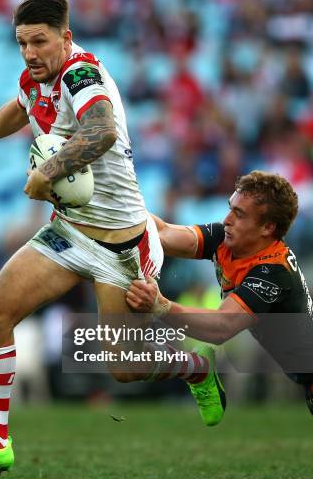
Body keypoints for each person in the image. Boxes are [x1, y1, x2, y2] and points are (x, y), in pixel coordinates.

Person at [0, 0, 214, 477]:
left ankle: (194, 368)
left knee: (125, 369)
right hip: (69, 233)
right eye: (22, 43)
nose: (31, 52)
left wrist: (47, 172)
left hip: (121, 246)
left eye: (40, 41)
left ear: (65, 37)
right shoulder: (35, 78)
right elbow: (19, 108)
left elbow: (102, 132)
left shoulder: (82, 73)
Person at [127, 171, 313, 421]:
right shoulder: (226, 240)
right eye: (230, 209)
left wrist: (160, 306)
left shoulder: (273, 271)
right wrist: (116, 211)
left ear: (268, 227)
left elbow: (220, 327)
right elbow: (160, 233)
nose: (227, 220)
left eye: (239, 214)